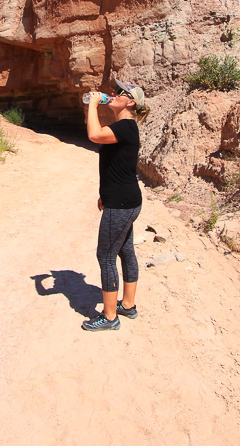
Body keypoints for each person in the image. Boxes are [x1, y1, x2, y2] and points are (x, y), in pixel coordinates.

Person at [82, 78, 149, 331]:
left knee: (106, 256)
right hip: (124, 199)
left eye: (119, 92)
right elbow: (116, 166)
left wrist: (93, 103)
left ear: (130, 101)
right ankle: (127, 305)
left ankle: (110, 317)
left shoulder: (126, 126)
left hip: (122, 204)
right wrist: (104, 195)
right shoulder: (123, 127)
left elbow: (93, 134)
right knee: (125, 251)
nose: (112, 94)